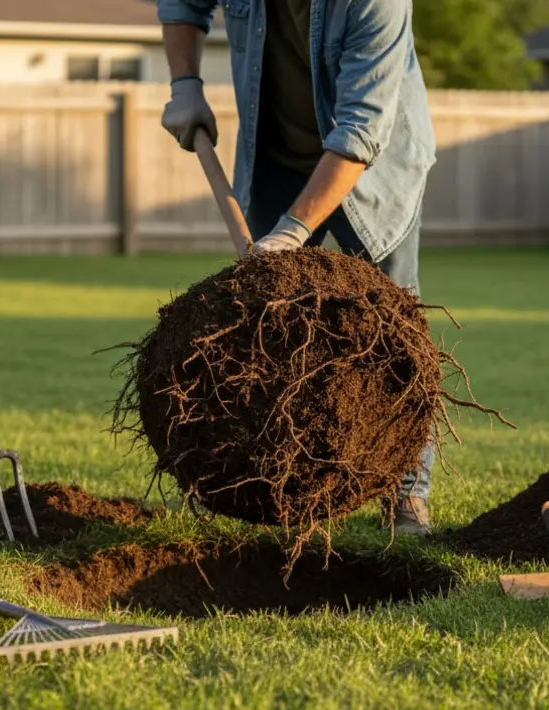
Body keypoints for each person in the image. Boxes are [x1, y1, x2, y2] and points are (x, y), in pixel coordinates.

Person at [156, 0, 438, 534]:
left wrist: (293, 230)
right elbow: (182, 2)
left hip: (372, 169)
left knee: (393, 322)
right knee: (262, 326)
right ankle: (267, 482)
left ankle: (405, 495)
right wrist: (184, 83)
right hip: (276, 156)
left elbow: (361, 129)